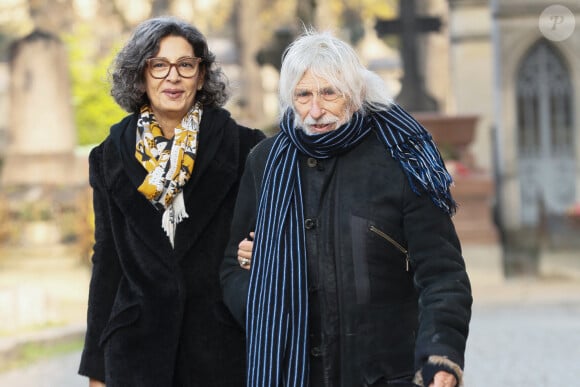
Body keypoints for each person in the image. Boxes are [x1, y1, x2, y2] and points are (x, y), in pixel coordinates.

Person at [220, 30, 472, 387]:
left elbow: (442, 275)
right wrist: (267, 307)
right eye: (303, 95)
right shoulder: (265, 163)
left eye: (329, 93)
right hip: (293, 370)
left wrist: (440, 356)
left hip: (383, 372)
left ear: (354, 96)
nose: (315, 110)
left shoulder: (399, 162)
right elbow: (234, 263)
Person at [78, 16, 265, 387]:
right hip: (136, 353)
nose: (173, 77)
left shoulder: (247, 149)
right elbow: (107, 262)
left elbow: (265, 242)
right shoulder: (109, 158)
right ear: (139, 75)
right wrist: (96, 367)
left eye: (185, 65)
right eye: (158, 65)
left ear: (201, 74)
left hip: (222, 348)